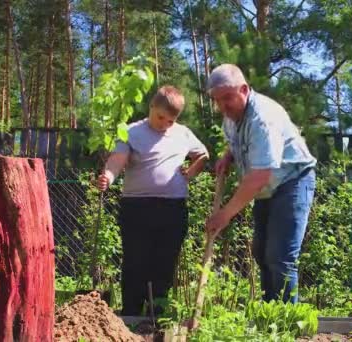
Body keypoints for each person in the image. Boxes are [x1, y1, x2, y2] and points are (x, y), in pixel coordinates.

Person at [204, 64, 317, 303]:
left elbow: (259, 176)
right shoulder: (232, 117)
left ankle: (287, 325)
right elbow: (237, 142)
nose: (222, 106)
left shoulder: (263, 118)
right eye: (217, 101)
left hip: (292, 182)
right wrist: (229, 156)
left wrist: (225, 215)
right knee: (261, 253)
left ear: (244, 89)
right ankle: (269, 317)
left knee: (281, 257)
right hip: (268, 188)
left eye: (227, 98)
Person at [97, 85, 209, 315]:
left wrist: (191, 172)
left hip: (173, 209)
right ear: (151, 107)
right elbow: (118, 159)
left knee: (164, 264)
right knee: (135, 262)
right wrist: (108, 177)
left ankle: (157, 317)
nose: (164, 124)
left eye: (170, 121)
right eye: (160, 117)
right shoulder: (131, 131)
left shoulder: (183, 133)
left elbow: (203, 154)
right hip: (137, 208)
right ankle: (130, 316)